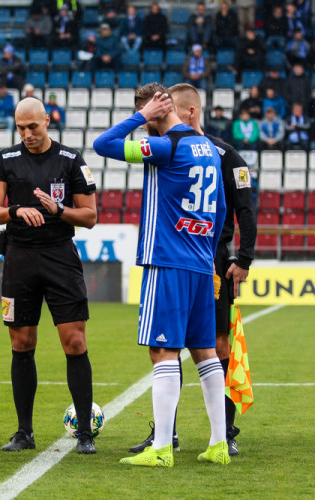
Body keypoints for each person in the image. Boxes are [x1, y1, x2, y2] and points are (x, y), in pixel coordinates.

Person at [93, 84, 229, 467]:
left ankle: (162, 448)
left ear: (156, 110)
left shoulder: (165, 147)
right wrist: (209, 254)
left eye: (146, 114)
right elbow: (219, 210)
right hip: (202, 262)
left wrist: (142, 116)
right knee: (204, 352)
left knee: (163, 350)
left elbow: (103, 145)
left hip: (167, 260)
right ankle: (219, 444)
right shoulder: (208, 150)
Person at [127, 82, 257, 458]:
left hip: (207, 259)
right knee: (187, 347)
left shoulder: (224, 155)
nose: (154, 122)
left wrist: (241, 258)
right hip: (200, 257)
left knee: (210, 346)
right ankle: (170, 434)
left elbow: (242, 210)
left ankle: (224, 432)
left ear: (190, 112)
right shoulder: (180, 149)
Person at [0, 97, 98, 454]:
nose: (27, 134)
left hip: (60, 257)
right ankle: (24, 432)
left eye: (33, 126)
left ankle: (84, 433)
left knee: (74, 342)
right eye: (21, 128)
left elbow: (90, 216)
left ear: (47, 121)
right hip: (19, 259)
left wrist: (59, 209)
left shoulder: (70, 161)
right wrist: (16, 210)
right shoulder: (4, 160)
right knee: (21, 344)